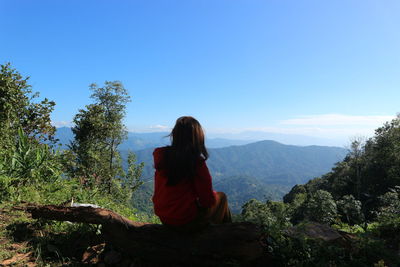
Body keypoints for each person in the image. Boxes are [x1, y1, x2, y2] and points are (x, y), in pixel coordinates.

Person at [152, 116, 232, 232]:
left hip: (164, 216)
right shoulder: (196, 162)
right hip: (186, 220)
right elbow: (207, 200)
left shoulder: (162, 156)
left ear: (175, 134)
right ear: (197, 137)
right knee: (222, 197)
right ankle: (225, 235)